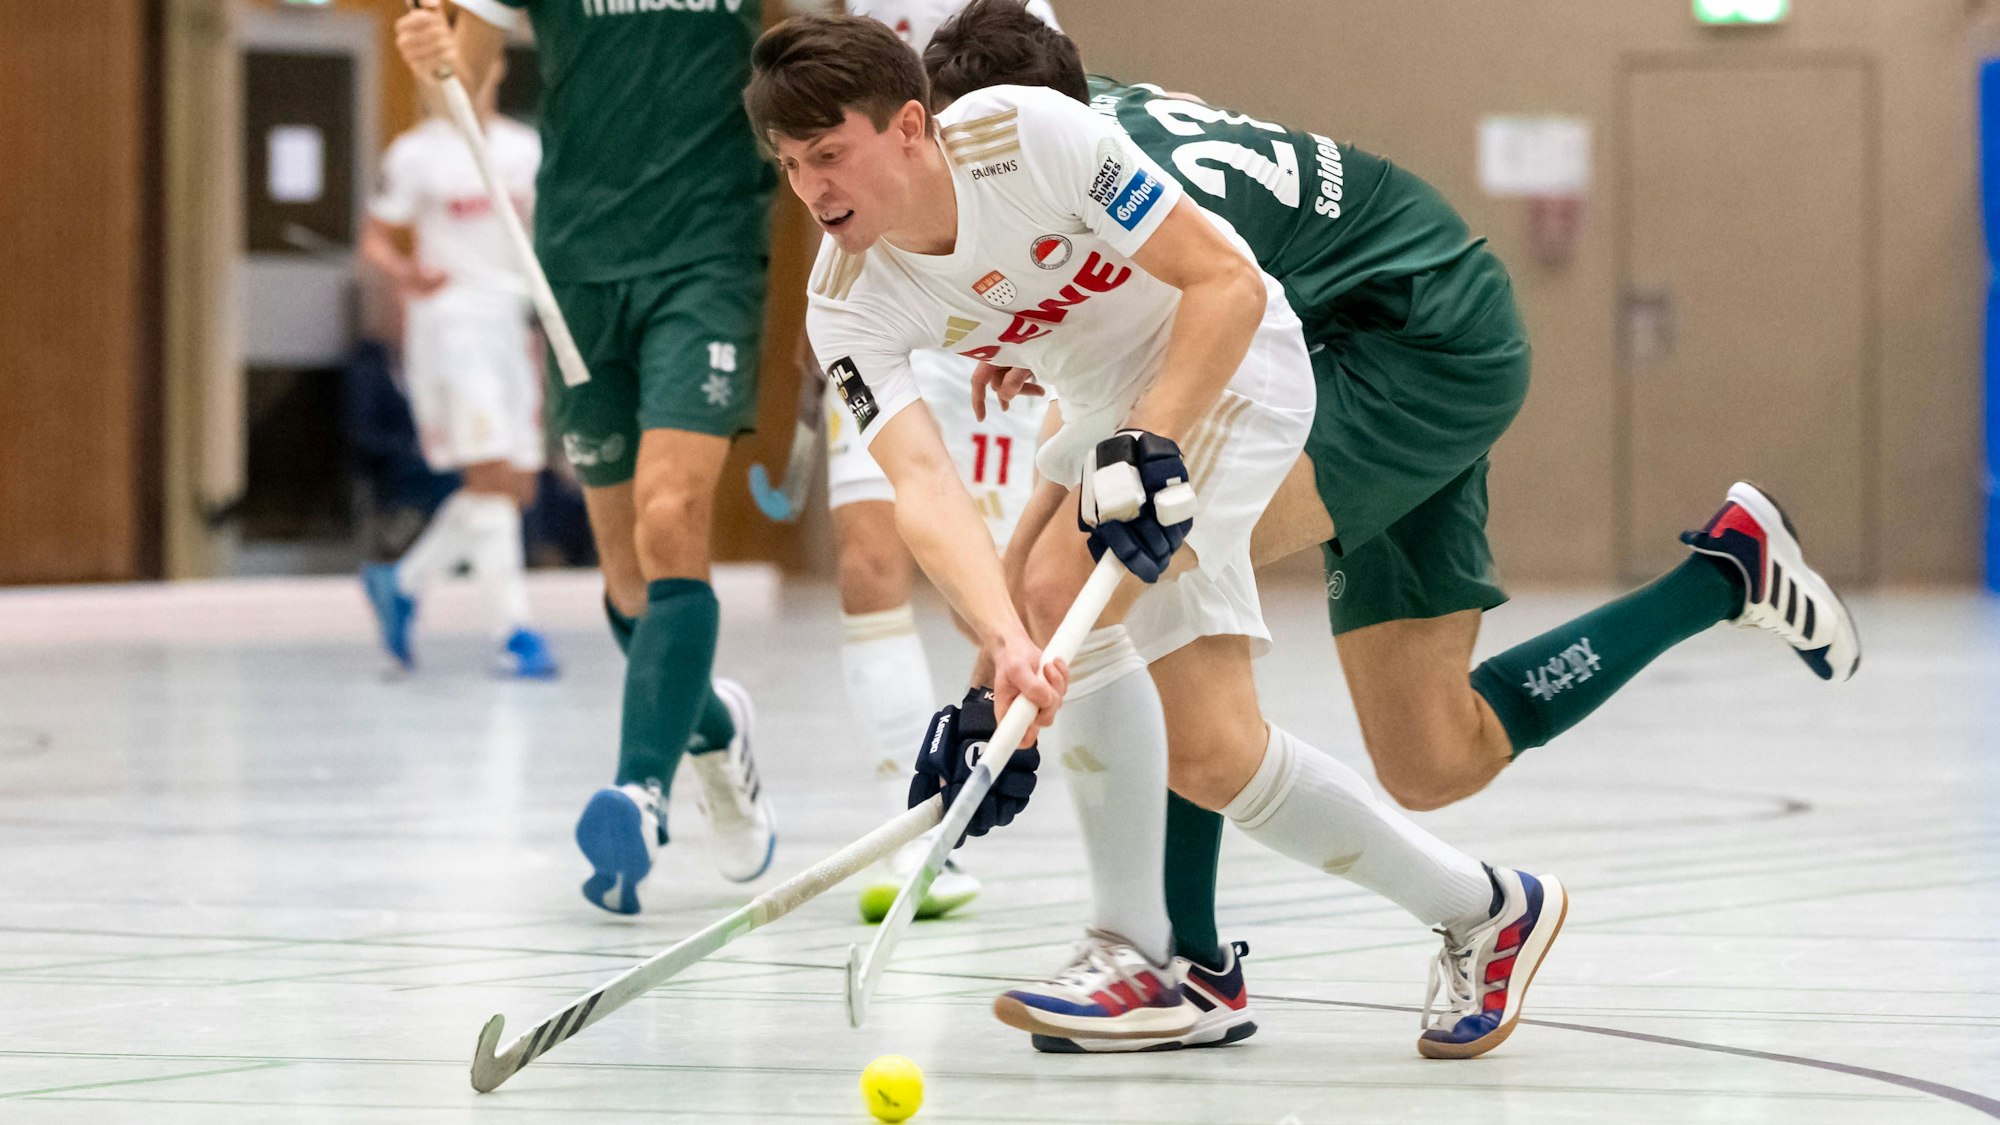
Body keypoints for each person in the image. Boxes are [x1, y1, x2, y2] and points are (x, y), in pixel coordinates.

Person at [916, 0, 1860, 1054]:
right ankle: (1724, 574)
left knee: (1131, 571)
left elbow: (1089, 465)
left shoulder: (1096, 193)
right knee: (1431, 756)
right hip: (1369, 316)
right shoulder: (1094, 118)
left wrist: (985, 674)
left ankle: (1174, 960)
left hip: (1414, 352)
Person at [745, 13, 1564, 1059]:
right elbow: (920, 484)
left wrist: (1152, 437)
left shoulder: (1022, 135)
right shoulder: (846, 298)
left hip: (1225, 368)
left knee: (1055, 587)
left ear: (910, 126)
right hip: (1102, 412)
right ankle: (1485, 907)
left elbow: (1222, 282)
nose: (812, 188)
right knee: (1210, 754)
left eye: (828, 154)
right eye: (788, 165)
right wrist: (996, 653)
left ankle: (1131, 952)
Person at [394, 0, 776, 913]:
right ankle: (714, 732)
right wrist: (428, 58)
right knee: (629, 579)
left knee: (671, 512)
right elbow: (454, 87)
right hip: (575, 263)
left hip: (709, 250)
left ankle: (639, 793)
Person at [831, 0, 1063, 928]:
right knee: (866, 562)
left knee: (1014, 590)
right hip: (883, 297)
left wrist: (1040, 321)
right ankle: (912, 824)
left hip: (993, 302)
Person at [359, 59, 558, 679]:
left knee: (514, 485)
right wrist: (402, 272)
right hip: (451, 325)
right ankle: (515, 632)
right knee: (491, 471)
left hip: (513, 323)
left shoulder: (526, 149)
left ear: (495, 66)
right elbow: (377, 236)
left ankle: (403, 580)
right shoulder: (417, 154)